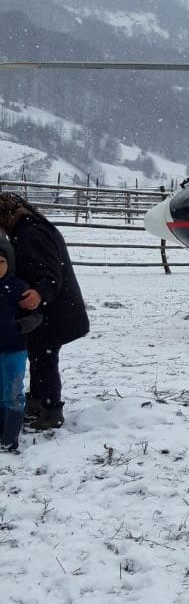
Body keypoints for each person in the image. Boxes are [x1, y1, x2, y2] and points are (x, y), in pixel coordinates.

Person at [0, 192, 90, 430]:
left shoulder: (32, 235)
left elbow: (50, 275)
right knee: (40, 355)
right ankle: (38, 402)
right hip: (54, 310)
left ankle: (51, 411)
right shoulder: (31, 228)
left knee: (44, 357)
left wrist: (39, 293)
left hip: (55, 311)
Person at [0, 239, 37, 452]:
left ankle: (10, 437)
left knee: (13, 392)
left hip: (14, 349)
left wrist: (20, 326)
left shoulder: (18, 288)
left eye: (1, 261)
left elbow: (35, 315)